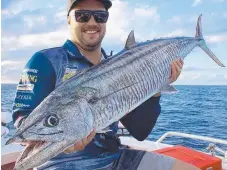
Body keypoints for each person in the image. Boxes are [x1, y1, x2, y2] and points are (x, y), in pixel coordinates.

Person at [12, 0, 199, 170]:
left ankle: (199, 40)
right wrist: (64, 145)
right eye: (82, 15)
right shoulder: (46, 61)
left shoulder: (120, 65)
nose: (92, 22)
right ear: (69, 19)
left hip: (115, 159)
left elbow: (140, 132)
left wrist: (157, 87)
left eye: (100, 16)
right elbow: (24, 120)